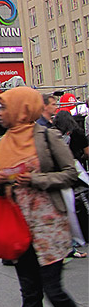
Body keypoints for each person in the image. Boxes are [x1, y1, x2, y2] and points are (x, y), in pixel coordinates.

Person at [0, 87, 88, 307]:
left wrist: (36, 179)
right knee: (29, 290)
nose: (1, 113)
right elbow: (4, 185)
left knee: (53, 289)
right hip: (19, 224)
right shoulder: (0, 143)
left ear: (22, 108)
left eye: (5, 107)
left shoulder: (47, 137)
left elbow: (72, 173)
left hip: (49, 223)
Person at [52, 110, 89, 258]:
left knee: (67, 205)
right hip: (77, 169)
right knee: (83, 199)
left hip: (62, 171)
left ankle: (71, 238)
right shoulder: (78, 132)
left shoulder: (54, 134)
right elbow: (87, 152)